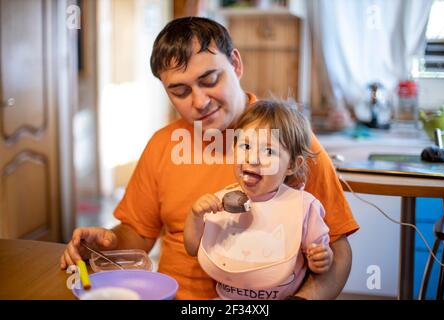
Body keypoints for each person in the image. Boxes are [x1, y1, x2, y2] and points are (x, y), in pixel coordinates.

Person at [60, 16, 359, 300]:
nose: (199, 102)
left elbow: (337, 248)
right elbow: (138, 233)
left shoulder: (288, 142)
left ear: (236, 64)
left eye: (210, 79)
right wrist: (103, 245)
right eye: (180, 91)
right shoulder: (163, 144)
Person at [184, 100, 333, 300]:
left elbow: (320, 252)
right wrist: (196, 215)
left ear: (291, 165)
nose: (252, 158)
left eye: (269, 151)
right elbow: (192, 248)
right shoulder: (220, 202)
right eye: (245, 146)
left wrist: (322, 259)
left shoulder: (303, 206)